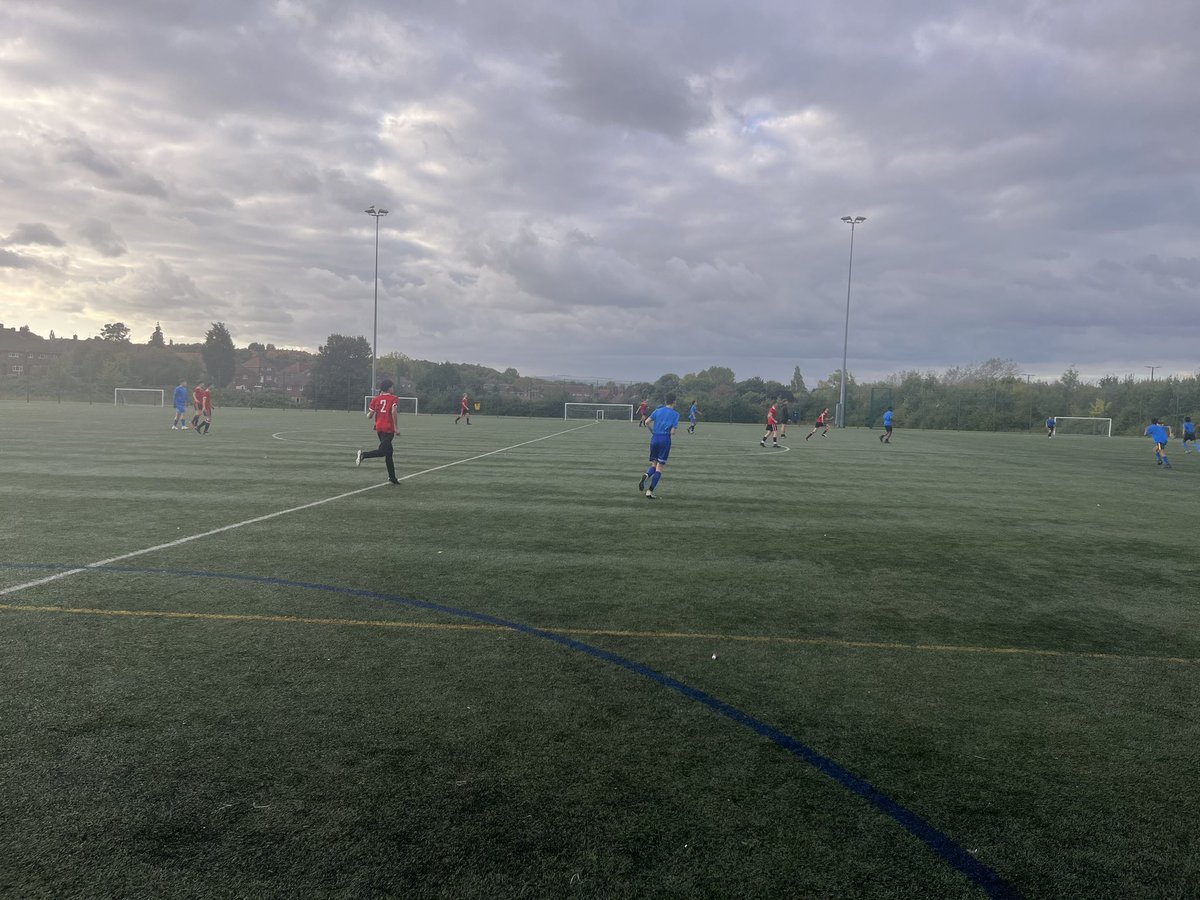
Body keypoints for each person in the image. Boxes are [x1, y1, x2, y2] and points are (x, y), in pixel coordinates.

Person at [357, 379, 402, 484]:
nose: (393, 389)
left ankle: (392, 477)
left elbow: (369, 416)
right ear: (389, 388)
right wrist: (396, 427)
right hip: (388, 429)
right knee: (382, 452)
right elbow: (394, 411)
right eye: (392, 387)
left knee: (389, 453)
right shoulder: (394, 398)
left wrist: (371, 414)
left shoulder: (376, 399)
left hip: (379, 428)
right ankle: (363, 455)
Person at [638, 394, 680, 499]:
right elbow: (673, 432)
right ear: (674, 402)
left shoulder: (658, 410)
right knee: (659, 467)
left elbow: (647, 422)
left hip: (655, 438)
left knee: (654, 464)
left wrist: (653, 431)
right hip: (665, 439)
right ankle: (649, 491)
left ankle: (646, 476)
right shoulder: (675, 414)